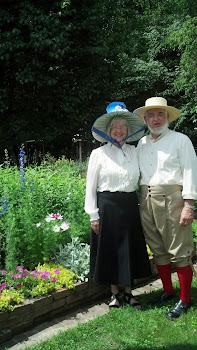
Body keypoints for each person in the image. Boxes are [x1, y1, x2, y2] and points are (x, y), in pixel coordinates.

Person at [134, 96, 197, 319]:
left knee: (179, 250)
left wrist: (189, 204)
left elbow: (190, 171)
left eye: (160, 114)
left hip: (173, 199)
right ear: (145, 119)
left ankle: (185, 298)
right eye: (151, 114)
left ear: (168, 116)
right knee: (158, 249)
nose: (156, 118)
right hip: (147, 199)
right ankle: (168, 292)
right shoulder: (141, 143)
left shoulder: (181, 140)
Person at [85, 101, 151, 309]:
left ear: (128, 130)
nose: (119, 131)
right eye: (115, 128)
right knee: (112, 249)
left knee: (129, 248)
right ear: (108, 131)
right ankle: (114, 293)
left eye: (123, 128)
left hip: (130, 205)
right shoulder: (98, 154)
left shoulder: (135, 151)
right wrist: (93, 215)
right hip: (107, 206)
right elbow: (90, 186)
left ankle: (130, 293)